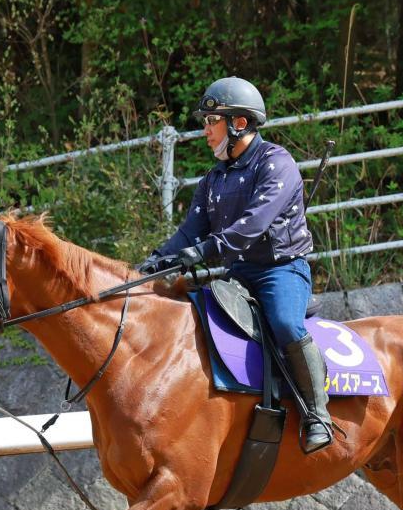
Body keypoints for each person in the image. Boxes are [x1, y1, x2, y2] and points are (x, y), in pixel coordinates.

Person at [137, 76, 332, 453]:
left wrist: (204, 250)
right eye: (205, 122)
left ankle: (317, 413)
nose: (205, 131)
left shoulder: (276, 163)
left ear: (239, 123)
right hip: (238, 274)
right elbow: (189, 231)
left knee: (284, 323)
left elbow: (252, 225)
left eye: (212, 121)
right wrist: (156, 260)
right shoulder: (213, 179)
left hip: (281, 271)